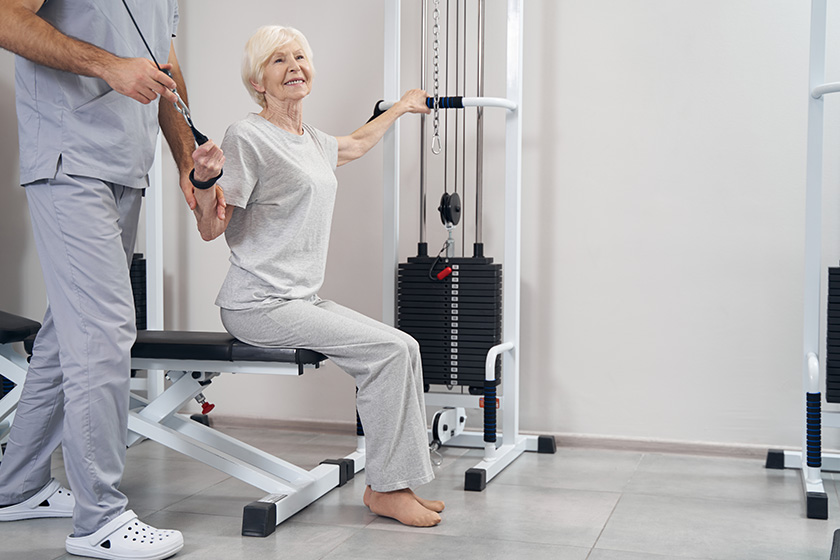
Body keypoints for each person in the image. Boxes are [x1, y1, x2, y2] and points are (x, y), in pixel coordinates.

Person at [190, 25, 444, 527]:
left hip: (301, 300)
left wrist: (399, 108)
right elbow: (211, 227)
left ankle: (397, 481)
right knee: (389, 353)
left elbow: (355, 144)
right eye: (278, 60)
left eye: (300, 57)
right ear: (258, 80)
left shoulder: (310, 140)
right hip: (257, 303)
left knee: (405, 346)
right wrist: (203, 181)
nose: (294, 67)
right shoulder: (249, 135)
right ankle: (386, 489)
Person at [0, 1, 220, 558]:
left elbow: (163, 68)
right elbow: (5, 16)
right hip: (68, 157)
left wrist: (187, 163)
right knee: (103, 330)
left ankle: (16, 487)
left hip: (126, 165)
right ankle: (99, 519)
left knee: (63, 334)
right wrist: (107, 65)